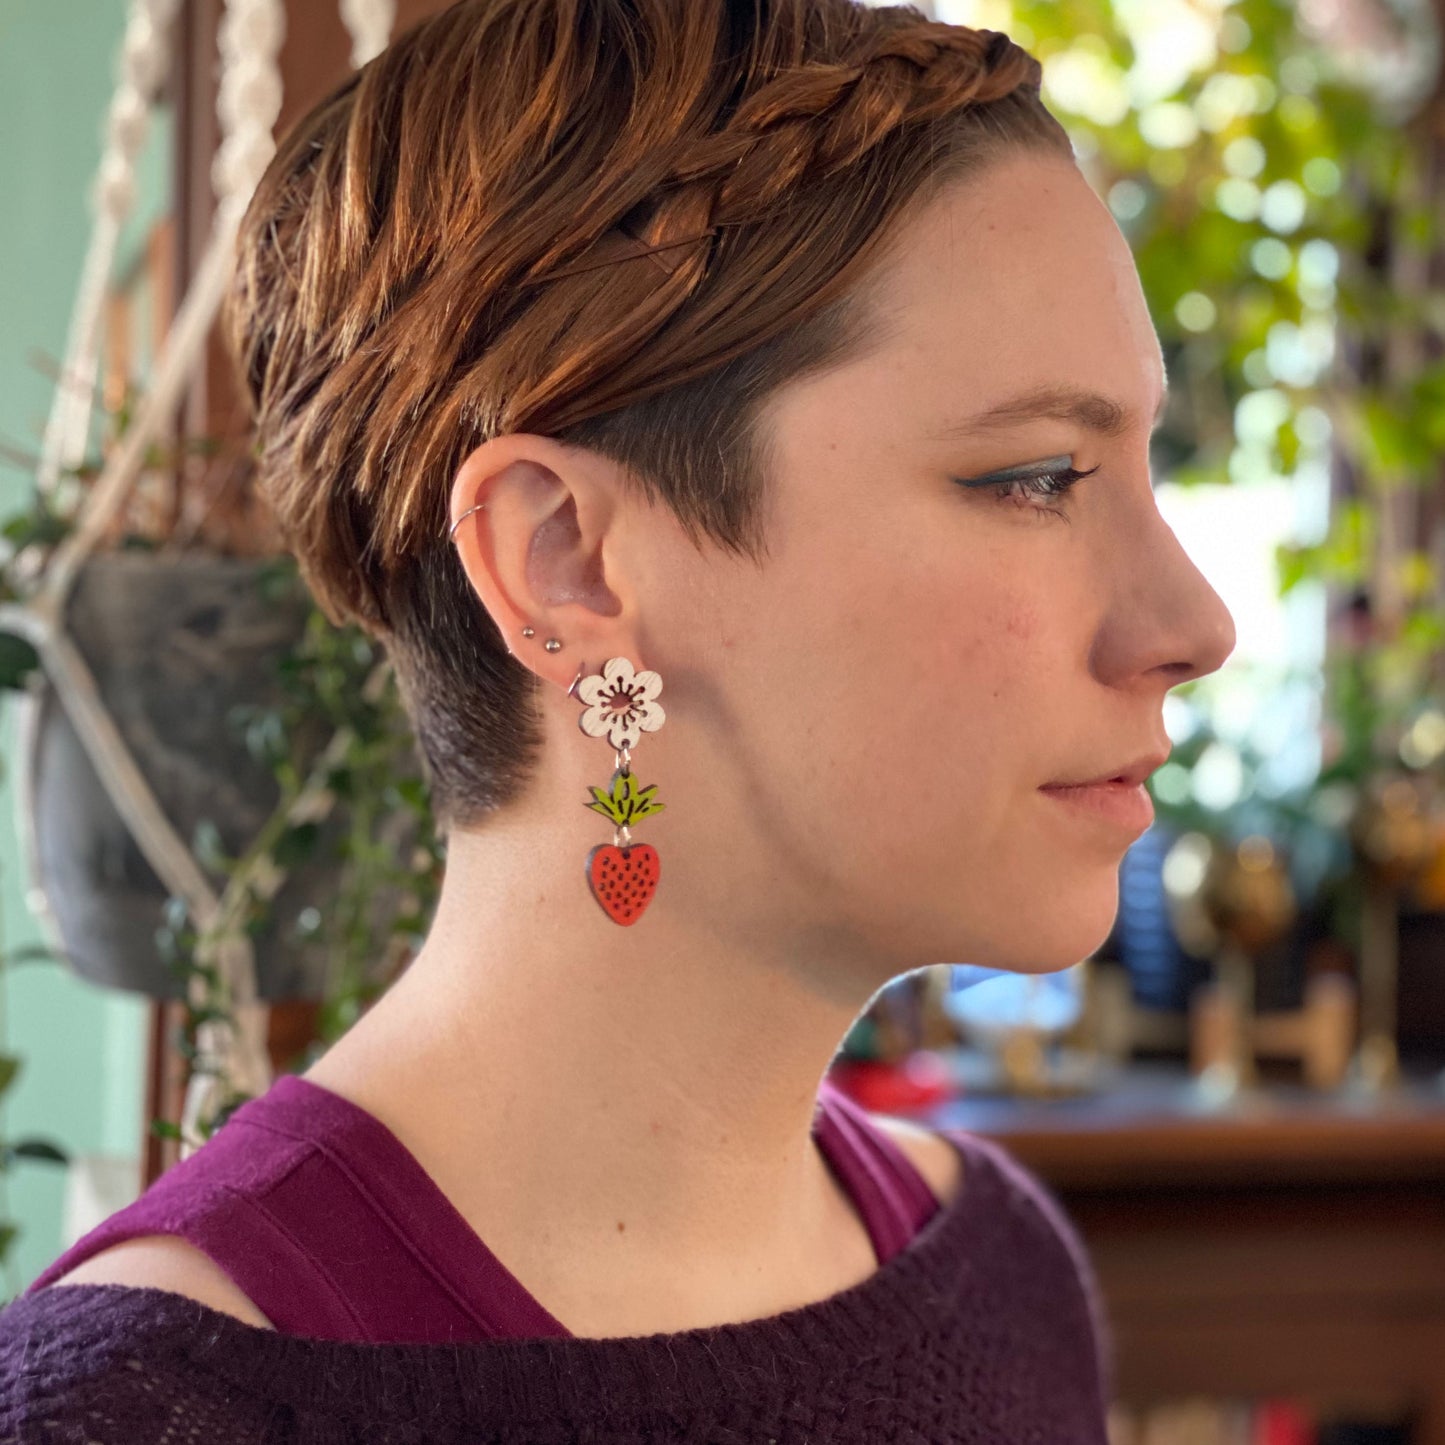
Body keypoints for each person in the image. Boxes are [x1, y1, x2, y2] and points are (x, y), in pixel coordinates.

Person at [0, 0, 1235, 1439]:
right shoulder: (148, 1410)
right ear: (566, 559)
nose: (1193, 624)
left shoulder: (995, 1270)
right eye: (1033, 475)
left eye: (1142, 467)